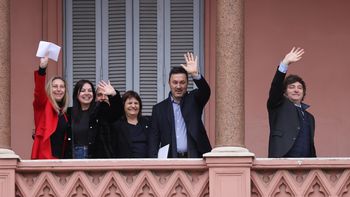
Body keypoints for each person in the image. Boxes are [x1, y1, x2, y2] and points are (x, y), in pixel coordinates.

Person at [148, 52, 212, 158]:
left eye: (182, 82)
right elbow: (154, 140)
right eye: (175, 82)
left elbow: (205, 91)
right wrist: (152, 163)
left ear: (187, 84)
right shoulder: (159, 109)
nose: (178, 86)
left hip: (195, 157)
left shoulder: (194, 100)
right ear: (169, 83)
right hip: (170, 160)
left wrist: (195, 74)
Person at [267, 47, 316, 158]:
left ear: (303, 93)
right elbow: (276, 87)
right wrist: (284, 64)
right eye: (291, 87)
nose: (296, 90)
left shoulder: (310, 117)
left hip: (306, 166)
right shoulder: (277, 106)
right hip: (281, 161)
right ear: (284, 92)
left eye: (300, 88)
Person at [70, 79, 122, 158]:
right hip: (73, 156)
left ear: (93, 94)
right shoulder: (68, 113)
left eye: (90, 91)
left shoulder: (101, 110)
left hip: (97, 157)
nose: (87, 93)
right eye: (83, 90)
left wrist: (114, 95)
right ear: (76, 94)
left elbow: (117, 113)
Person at [31, 56, 71, 159]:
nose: (58, 89)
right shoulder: (43, 105)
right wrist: (42, 70)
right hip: (44, 160)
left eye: (62, 87)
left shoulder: (64, 113)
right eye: (55, 86)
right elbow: (39, 92)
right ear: (49, 89)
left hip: (60, 162)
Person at [110, 91, 151, 158]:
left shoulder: (148, 122)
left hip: (146, 165)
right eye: (129, 103)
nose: (133, 106)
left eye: (136, 103)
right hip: (125, 165)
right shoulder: (117, 126)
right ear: (123, 105)